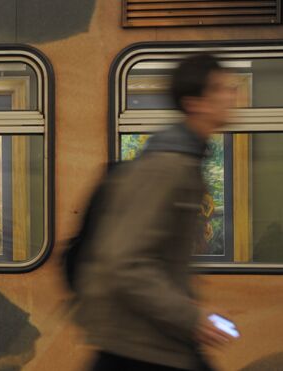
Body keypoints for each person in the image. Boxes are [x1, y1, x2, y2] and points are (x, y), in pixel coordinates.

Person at [74, 53, 237, 370]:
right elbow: (124, 262)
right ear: (195, 103)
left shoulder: (186, 161)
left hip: (151, 339)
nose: (232, 94)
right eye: (220, 88)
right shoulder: (167, 168)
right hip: (140, 343)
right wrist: (191, 317)